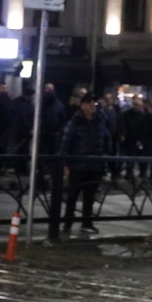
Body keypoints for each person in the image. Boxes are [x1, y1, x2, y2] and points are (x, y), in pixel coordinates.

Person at [60, 94, 110, 234]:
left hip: (95, 165)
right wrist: (65, 163)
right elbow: (66, 142)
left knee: (90, 196)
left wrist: (106, 155)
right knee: (73, 195)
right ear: (82, 105)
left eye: (94, 102)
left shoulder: (99, 121)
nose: (93, 105)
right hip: (78, 165)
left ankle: (86, 222)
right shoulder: (75, 122)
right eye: (89, 103)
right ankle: (68, 222)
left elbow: (106, 139)